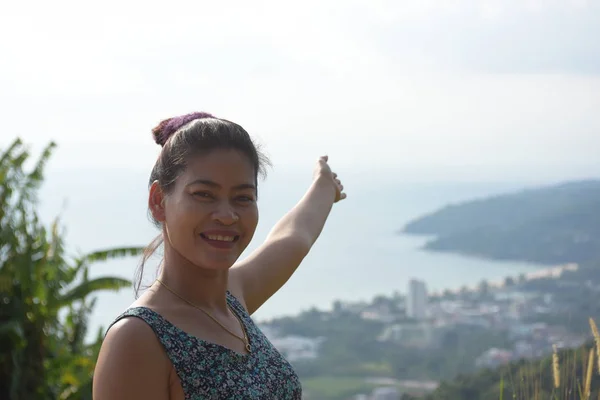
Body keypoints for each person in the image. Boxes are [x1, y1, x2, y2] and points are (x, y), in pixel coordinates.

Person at [92, 112, 346, 400]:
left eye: (243, 198)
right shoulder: (138, 339)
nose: (227, 216)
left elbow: (292, 238)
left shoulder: (231, 299)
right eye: (204, 194)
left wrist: (324, 186)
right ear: (158, 201)